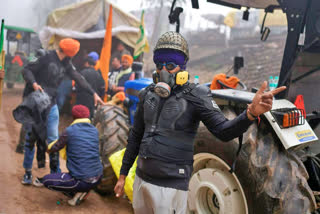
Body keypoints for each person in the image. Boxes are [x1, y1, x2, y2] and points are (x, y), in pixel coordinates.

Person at [113, 31, 286, 213]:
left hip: (171, 187)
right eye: (159, 65)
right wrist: (123, 175)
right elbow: (136, 136)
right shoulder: (147, 93)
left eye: (170, 65)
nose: (163, 71)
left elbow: (223, 131)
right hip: (141, 179)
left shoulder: (197, 95)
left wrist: (250, 113)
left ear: (182, 68)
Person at [21, 38, 105, 185]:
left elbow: (79, 78)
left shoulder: (66, 63)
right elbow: (26, 69)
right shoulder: (43, 55)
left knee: (54, 139)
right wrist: (34, 84)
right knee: (31, 138)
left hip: (51, 105)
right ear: (70, 53)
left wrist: (93, 93)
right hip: (35, 104)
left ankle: (55, 173)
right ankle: (27, 172)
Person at [33, 105, 103, 206]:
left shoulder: (69, 131)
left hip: (81, 180)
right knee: (82, 170)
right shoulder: (95, 131)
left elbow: (54, 148)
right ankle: (85, 189)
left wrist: (47, 149)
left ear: (73, 117)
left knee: (47, 180)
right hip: (98, 176)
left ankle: (78, 192)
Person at [76, 52, 105, 118]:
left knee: (81, 118)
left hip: (82, 100)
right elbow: (102, 87)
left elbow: (77, 86)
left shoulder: (82, 73)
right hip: (93, 101)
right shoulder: (98, 74)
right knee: (90, 118)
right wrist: (99, 96)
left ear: (87, 63)